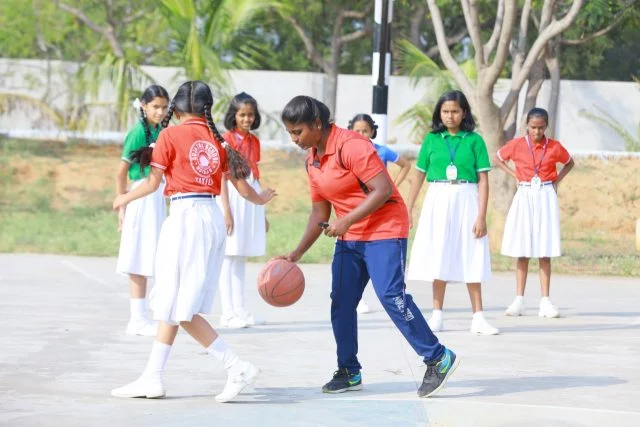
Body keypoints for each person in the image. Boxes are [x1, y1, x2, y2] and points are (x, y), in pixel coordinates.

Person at [279, 95, 458, 398]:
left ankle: (438, 357)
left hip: (385, 227)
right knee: (342, 301)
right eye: (290, 133)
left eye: (298, 131)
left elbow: (383, 189)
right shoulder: (313, 160)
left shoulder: (352, 146)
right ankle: (349, 370)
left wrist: (346, 220)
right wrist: (297, 253)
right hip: (351, 237)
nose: (294, 139)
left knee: (391, 294)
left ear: (317, 125)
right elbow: (319, 213)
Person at [110, 81, 276, 402]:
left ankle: (236, 366)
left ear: (176, 107)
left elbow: (153, 182)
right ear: (207, 108)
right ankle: (153, 377)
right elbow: (245, 191)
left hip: (185, 217)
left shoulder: (169, 136)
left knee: (179, 307)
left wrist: (124, 199)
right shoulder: (219, 141)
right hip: (209, 216)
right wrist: (261, 199)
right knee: (172, 302)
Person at [406, 90, 499, 336]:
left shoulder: (474, 140)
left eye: (455, 111)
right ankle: (437, 314)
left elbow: (484, 181)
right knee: (439, 252)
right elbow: (418, 176)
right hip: (438, 198)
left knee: (473, 252)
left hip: (467, 198)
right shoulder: (432, 140)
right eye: (445, 111)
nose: (450, 116)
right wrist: (408, 207)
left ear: (464, 112)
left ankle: (478, 317)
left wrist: (481, 215)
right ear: (439, 113)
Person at [494, 107, 574, 318]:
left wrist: (557, 179)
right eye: (532, 127)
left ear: (546, 126)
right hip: (525, 192)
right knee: (523, 249)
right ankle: (519, 299)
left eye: (540, 128)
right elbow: (498, 158)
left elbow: (569, 162)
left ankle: (545, 301)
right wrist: (514, 174)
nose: (536, 132)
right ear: (526, 126)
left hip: (546, 193)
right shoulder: (518, 145)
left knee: (544, 249)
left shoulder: (554, 147)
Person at [115, 85, 169, 336]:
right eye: (155, 107)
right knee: (138, 256)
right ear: (144, 106)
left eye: (164, 107)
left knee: (154, 254)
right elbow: (121, 172)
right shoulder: (137, 132)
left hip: (155, 196)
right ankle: (137, 319)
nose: (160, 112)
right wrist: (122, 203)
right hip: (139, 197)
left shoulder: (160, 131)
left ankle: (148, 315)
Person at [348, 113, 412, 315]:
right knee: (355, 259)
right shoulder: (348, 155)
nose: (360, 134)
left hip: (381, 210)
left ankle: (394, 299)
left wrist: (394, 186)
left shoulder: (381, 152)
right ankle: (358, 298)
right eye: (357, 131)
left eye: (365, 131)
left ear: (372, 132)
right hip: (358, 209)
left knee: (377, 259)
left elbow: (406, 165)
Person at [217, 92, 267, 328]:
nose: (247, 119)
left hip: (250, 196)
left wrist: (262, 211)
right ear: (233, 116)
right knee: (229, 256)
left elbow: (255, 172)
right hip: (233, 197)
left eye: (251, 115)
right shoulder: (226, 140)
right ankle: (227, 312)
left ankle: (239, 308)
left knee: (241, 255)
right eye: (242, 115)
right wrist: (226, 210)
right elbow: (223, 178)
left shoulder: (255, 142)